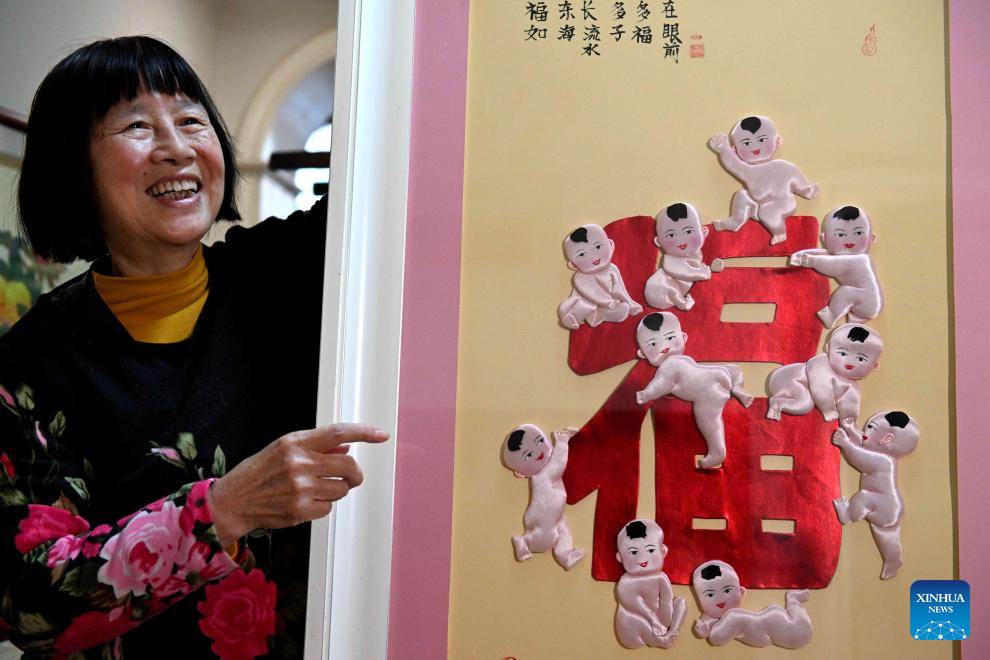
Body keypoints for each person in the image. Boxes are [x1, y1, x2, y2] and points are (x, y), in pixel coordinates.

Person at [0, 36, 387, 658]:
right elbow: (28, 605)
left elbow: (405, 174)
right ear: (73, 165)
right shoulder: (30, 363)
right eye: (136, 126)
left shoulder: (288, 270)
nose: (176, 148)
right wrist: (223, 510)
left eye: (190, 120)